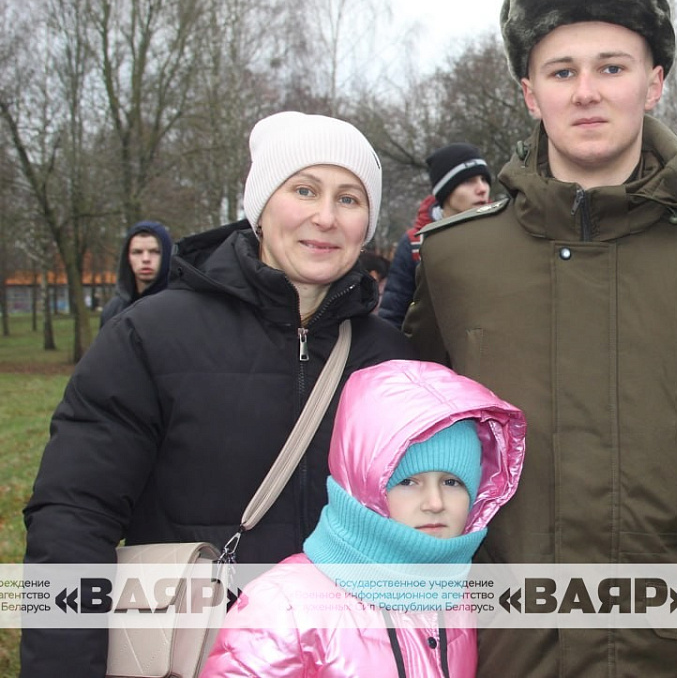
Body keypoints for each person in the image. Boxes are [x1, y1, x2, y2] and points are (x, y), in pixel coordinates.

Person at [403, 0, 677, 677]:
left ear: (654, 82)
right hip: (512, 654)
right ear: (530, 93)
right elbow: (406, 461)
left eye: (612, 68)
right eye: (562, 72)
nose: (586, 92)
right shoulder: (458, 261)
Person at [21, 111, 415, 677]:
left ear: (367, 223)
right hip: (193, 655)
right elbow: (74, 517)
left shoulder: (395, 362)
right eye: (304, 190)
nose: (326, 217)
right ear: (261, 207)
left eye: (349, 199)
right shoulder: (149, 337)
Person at [200, 359, 525, 678]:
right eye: (408, 482)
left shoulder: (457, 593)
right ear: (362, 483)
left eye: (452, 482)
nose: (435, 503)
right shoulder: (284, 606)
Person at [378, 143, 492, 328]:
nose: (482, 188)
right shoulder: (415, 243)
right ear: (446, 190)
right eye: (468, 181)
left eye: (484, 179)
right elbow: (392, 317)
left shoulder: (502, 235)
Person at [99, 220, 172, 326]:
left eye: (155, 252)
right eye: (137, 252)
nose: (146, 259)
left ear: (167, 255)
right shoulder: (113, 311)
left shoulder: (183, 308)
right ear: (127, 257)